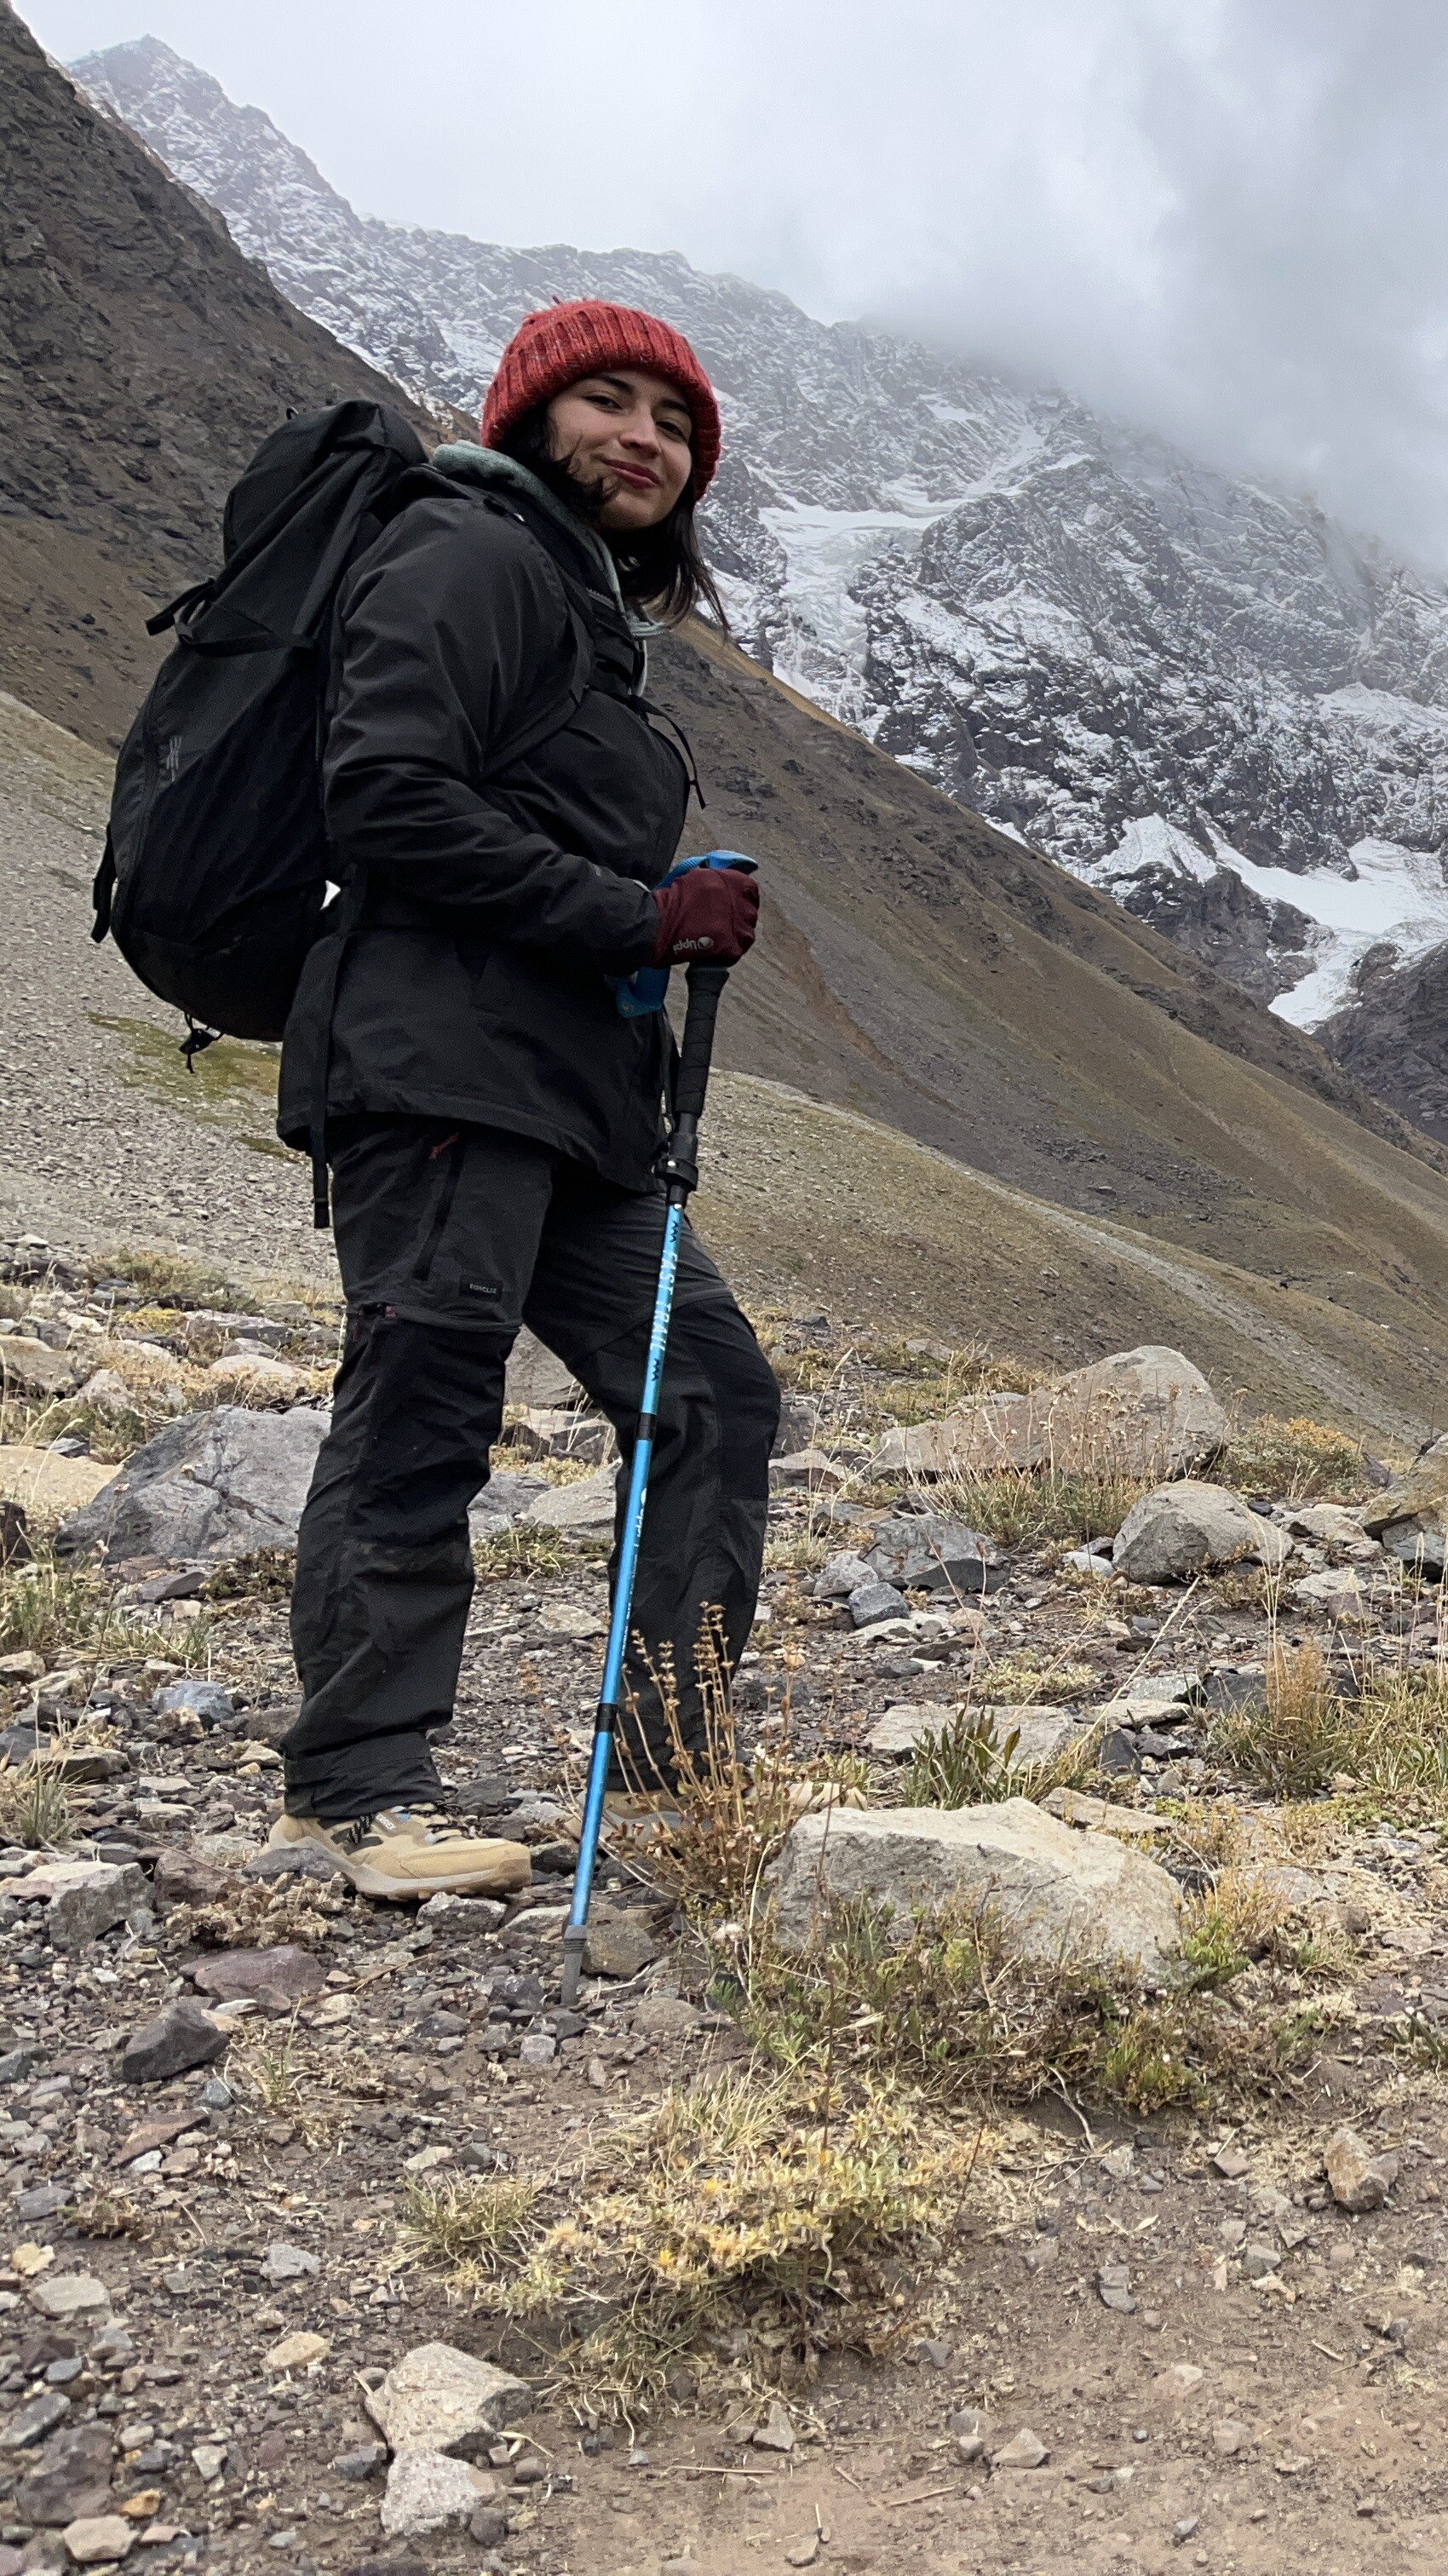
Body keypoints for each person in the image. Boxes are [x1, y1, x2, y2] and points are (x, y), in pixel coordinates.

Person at [267, 301, 779, 1900]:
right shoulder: (468, 548)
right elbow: (390, 799)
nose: (645, 438)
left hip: (575, 1103)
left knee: (712, 1389)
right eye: (608, 404)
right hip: (437, 1070)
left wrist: (656, 905)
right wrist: (639, 918)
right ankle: (357, 1791)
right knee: (425, 1397)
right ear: (531, 421)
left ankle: (670, 1763)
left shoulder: (584, 610)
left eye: (675, 424)